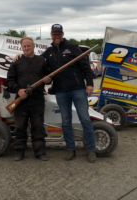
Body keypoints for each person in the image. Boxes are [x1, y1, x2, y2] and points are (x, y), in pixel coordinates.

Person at [42, 24, 97, 163]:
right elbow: (39, 66)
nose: (57, 36)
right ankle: (71, 149)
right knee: (66, 122)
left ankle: (91, 150)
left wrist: (89, 84)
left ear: (62, 34)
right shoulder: (48, 52)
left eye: (59, 34)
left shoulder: (72, 47)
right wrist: (46, 77)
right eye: (54, 34)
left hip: (78, 89)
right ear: (51, 35)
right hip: (61, 92)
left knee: (85, 119)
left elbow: (85, 67)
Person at [7, 37, 50, 161]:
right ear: (21, 47)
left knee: (38, 126)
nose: (26, 48)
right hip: (21, 99)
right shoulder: (16, 62)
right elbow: (9, 81)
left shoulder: (42, 61)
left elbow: (48, 77)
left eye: (28, 46)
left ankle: (40, 152)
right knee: (20, 127)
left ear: (33, 46)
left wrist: (49, 80)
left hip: (37, 99)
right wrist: (18, 90)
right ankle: (19, 151)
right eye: (24, 46)